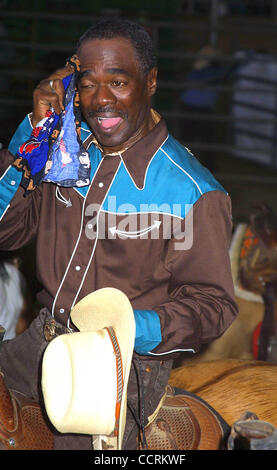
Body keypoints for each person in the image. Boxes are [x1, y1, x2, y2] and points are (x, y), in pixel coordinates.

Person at [0, 17, 238, 450]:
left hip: (118, 375)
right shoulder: (63, 151)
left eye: (119, 82)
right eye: (88, 84)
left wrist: (127, 328)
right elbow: (6, 233)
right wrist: (31, 134)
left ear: (150, 82)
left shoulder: (193, 192)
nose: (101, 100)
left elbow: (213, 305)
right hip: (35, 347)